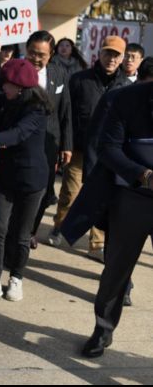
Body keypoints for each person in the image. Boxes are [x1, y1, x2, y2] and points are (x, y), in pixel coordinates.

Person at [78, 81, 153, 358]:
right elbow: (108, 148)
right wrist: (143, 175)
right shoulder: (126, 99)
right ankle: (103, 329)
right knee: (117, 271)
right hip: (132, 196)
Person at [50, 36, 130, 260]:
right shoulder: (79, 79)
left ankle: (97, 243)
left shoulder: (127, 87)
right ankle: (60, 225)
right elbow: (65, 113)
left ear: (122, 58)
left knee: (102, 199)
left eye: (116, 55)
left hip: (109, 155)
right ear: (100, 53)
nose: (111, 59)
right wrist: (64, 144)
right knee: (70, 193)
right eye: (108, 53)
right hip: (78, 148)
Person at [0, 59, 51, 303]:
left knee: (22, 235)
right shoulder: (5, 99)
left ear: (21, 88)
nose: (4, 88)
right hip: (5, 175)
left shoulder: (37, 109)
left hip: (32, 179)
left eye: (8, 85)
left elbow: (18, 134)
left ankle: (16, 277)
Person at [18, 31, 72, 249]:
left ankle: (30, 231)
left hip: (48, 142)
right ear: (26, 49)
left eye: (42, 54)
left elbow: (66, 111)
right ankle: (15, 229)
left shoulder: (58, 75)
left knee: (43, 189)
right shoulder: (13, 70)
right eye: (32, 52)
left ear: (51, 55)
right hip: (18, 140)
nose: (36, 58)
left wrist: (67, 145)